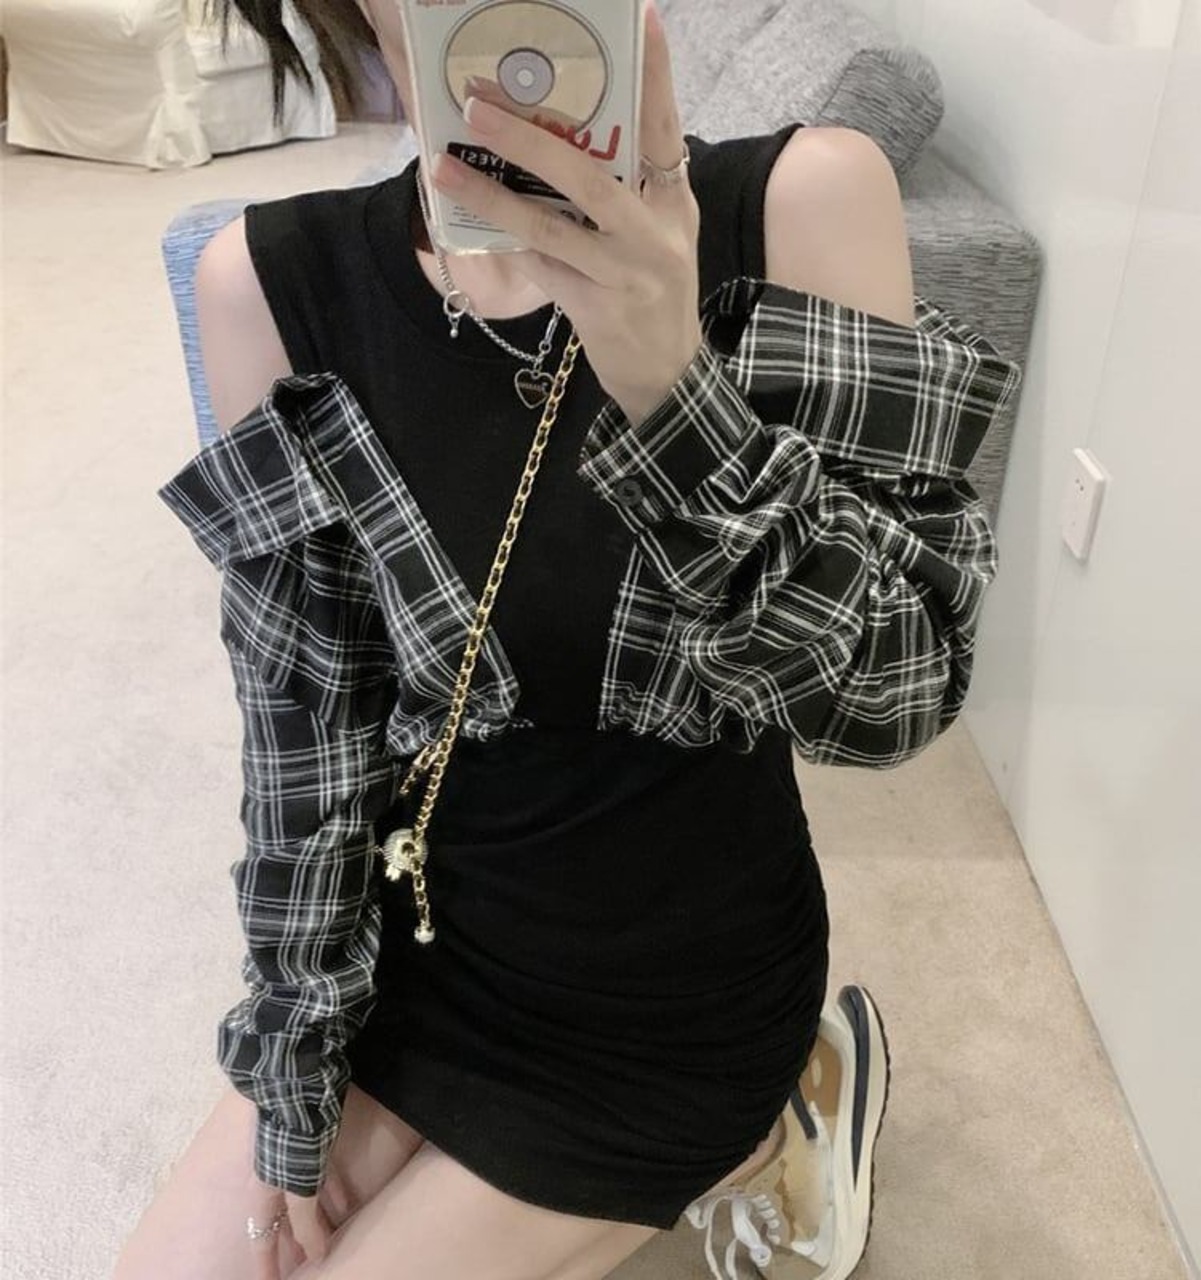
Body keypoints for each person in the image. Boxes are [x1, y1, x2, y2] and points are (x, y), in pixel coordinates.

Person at [113, 1, 1022, 1277]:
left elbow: (896, 697)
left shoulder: (799, 206)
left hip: (673, 1000)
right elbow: (304, 742)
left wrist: (671, 383)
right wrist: (294, 1062)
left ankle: (766, 1120)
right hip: (419, 957)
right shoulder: (271, 283)